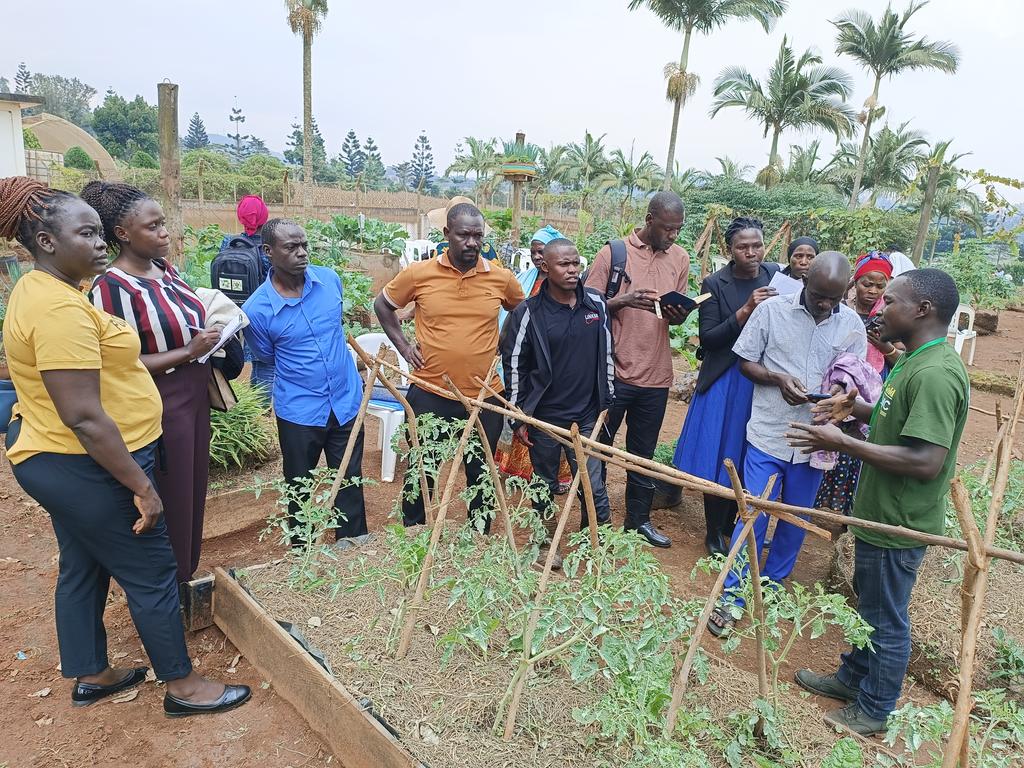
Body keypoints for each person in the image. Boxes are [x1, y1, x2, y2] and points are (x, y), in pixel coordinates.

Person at [0, 177, 249, 716]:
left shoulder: (44, 290)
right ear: (46, 241)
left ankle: (91, 672)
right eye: (87, 234)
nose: (98, 245)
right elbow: (85, 417)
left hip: (52, 451)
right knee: (152, 569)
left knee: (83, 563)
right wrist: (141, 487)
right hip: (84, 459)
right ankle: (183, 688)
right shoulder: (61, 310)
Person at [788, 269, 969, 736]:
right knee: (868, 608)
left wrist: (845, 444)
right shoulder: (913, 360)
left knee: (886, 620)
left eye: (890, 300)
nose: (877, 308)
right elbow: (896, 419)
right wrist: (856, 410)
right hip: (879, 515)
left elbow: (927, 460)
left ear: (922, 310)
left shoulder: (935, 374)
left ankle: (875, 707)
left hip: (898, 522)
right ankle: (852, 679)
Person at [708, 252, 867, 636]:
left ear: (845, 291)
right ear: (805, 281)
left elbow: (854, 379)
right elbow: (745, 361)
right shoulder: (772, 311)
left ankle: (772, 590)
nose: (825, 305)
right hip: (769, 432)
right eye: (818, 296)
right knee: (753, 516)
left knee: (796, 520)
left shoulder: (852, 325)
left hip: (816, 440)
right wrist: (777, 379)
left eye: (833, 298)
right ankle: (733, 596)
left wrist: (839, 397)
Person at [83, 181, 219, 585]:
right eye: (154, 225)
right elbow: (118, 361)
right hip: (160, 400)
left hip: (193, 394)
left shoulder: (165, 271)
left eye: (163, 223)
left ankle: (184, 572)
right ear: (123, 234)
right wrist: (187, 353)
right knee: (170, 491)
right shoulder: (111, 288)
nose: (164, 232)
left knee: (193, 488)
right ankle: (165, 582)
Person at [374, 202, 525, 531]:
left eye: (478, 236)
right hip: (431, 391)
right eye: (464, 235)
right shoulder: (420, 273)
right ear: (447, 235)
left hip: (485, 397)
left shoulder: (501, 278)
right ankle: (415, 533)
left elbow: (522, 308)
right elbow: (383, 304)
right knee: (422, 468)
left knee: (481, 470)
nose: (472, 243)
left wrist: (505, 338)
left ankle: (478, 537)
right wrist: (403, 346)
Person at [242, 219, 367, 545]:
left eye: (304, 245)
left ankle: (352, 544)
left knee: (349, 478)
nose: (302, 253)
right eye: (291, 247)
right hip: (300, 410)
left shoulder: (329, 281)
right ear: (268, 252)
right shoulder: (257, 310)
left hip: (346, 400)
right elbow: (265, 356)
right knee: (299, 484)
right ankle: (302, 551)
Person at [584, 191, 692, 548]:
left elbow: (673, 315)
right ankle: (593, 522)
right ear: (649, 220)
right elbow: (585, 307)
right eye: (667, 228)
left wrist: (678, 315)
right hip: (612, 371)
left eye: (678, 229)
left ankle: (638, 521)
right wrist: (623, 301)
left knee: (642, 454)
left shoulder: (680, 258)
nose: (673, 236)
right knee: (598, 448)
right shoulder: (613, 253)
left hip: (656, 375)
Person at [501, 239, 615, 566]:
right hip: (546, 418)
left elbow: (607, 353)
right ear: (545, 268)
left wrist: (606, 401)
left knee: (592, 485)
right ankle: (545, 545)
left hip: (589, 415)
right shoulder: (529, 313)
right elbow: (514, 364)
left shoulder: (596, 304)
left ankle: (598, 546)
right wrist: (519, 416)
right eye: (564, 265)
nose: (572, 270)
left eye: (576, 263)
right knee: (545, 483)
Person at [672, 217, 780, 557]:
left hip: (763, 379)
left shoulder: (777, 276)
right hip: (727, 379)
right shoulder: (715, 283)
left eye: (757, 245)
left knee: (752, 455)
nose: (751, 252)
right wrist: (747, 310)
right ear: (729, 250)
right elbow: (709, 338)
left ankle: (738, 523)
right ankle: (714, 530)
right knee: (722, 454)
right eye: (742, 247)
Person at [814, 252, 900, 515]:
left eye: (880, 285)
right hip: (836, 383)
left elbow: (902, 360)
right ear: (855, 282)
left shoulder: (888, 318)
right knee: (830, 437)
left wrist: (885, 348)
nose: (873, 291)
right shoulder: (840, 311)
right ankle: (819, 505)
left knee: (856, 446)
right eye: (867, 283)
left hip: (871, 389)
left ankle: (848, 511)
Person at [495, 223, 573, 493]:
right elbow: (513, 316)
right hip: (525, 359)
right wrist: (502, 342)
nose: (538, 257)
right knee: (519, 410)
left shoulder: (567, 286)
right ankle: (518, 471)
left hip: (553, 364)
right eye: (534, 252)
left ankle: (551, 477)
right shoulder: (524, 279)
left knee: (550, 422)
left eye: (542, 252)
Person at [220, 195, 275, 397]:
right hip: (265, 311)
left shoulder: (229, 242)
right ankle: (262, 410)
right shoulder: (269, 245)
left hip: (233, 310)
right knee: (266, 364)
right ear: (264, 216)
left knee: (255, 360)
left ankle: (254, 401)